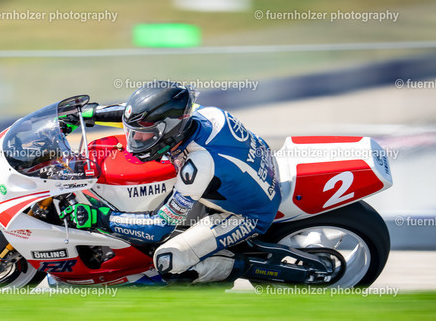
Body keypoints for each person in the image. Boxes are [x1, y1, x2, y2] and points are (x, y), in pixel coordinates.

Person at [60, 81, 281, 283]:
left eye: (145, 135)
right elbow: (140, 117)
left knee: (168, 261)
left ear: (171, 129)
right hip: (253, 173)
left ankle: (243, 267)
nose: (135, 139)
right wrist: (88, 114)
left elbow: (159, 227)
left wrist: (101, 218)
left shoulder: (199, 164)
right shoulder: (201, 114)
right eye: (134, 133)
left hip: (247, 215)